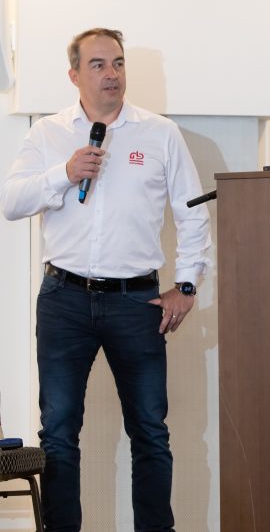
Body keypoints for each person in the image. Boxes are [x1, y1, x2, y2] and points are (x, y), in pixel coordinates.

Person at [0, 28, 211, 532]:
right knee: (57, 434)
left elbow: (193, 213)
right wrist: (64, 173)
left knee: (150, 431)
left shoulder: (159, 133)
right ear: (74, 75)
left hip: (136, 301)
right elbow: (11, 202)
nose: (111, 73)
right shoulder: (48, 134)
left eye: (117, 63)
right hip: (63, 299)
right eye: (97, 64)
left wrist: (186, 285)